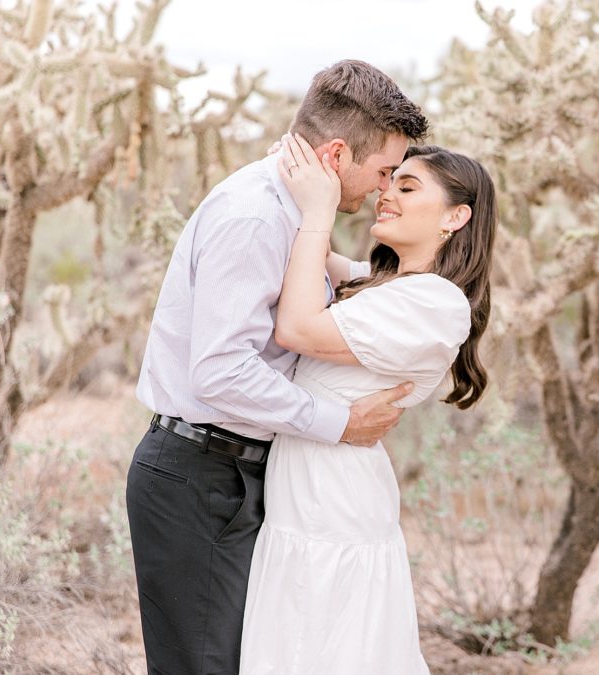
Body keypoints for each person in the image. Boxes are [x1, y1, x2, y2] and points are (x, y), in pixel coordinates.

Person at [126, 60, 429, 674]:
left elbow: (348, 285)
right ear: (336, 153)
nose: (383, 187)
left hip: (234, 473)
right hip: (201, 476)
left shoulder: (289, 212)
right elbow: (221, 371)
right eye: (382, 171)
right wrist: (337, 421)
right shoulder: (256, 218)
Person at [238, 135, 497, 673]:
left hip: (333, 507)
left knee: (326, 648)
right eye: (387, 180)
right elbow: (312, 256)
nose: (387, 194)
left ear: (456, 217)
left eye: (407, 185)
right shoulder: (385, 286)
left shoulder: (435, 303)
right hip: (310, 498)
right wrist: (296, 178)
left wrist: (318, 209)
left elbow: (296, 326)